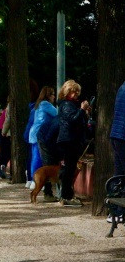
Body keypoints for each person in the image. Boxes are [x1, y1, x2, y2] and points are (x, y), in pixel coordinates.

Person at [56, 79, 91, 207]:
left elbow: (78, 120)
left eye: (77, 92)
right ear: (67, 92)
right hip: (69, 140)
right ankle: (66, 196)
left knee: (70, 169)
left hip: (72, 140)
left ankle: (66, 194)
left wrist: (85, 113)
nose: (76, 94)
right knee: (69, 169)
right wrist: (82, 110)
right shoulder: (66, 104)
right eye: (74, 92)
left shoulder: (70, 105)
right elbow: (72, 120)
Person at [28, 86, 58, 200]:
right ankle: (32, 181)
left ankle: (32, 180)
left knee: (35, 157)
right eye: (52, 94)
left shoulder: (39, 104)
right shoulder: (46, 104)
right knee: (37, 158)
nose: (54, 96)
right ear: (47, 95)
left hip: (35, 133)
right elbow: (57, 113)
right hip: (38, 134)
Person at [112, 80, 125, 176]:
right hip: (123, 135)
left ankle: (114, 190)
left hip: (116, 134)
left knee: (119, 175)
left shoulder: (122, 88)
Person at [0, 103, 11, 179]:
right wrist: (4, 132)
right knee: (5, 151)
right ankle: (0, 171)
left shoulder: (9, 105)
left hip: (1, 128)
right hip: (3, 129)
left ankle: (1, 170)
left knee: (4, 151)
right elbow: (8, 120)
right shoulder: (12, 105)